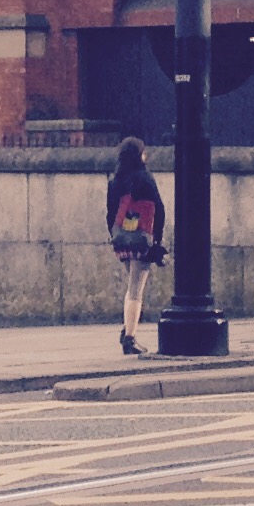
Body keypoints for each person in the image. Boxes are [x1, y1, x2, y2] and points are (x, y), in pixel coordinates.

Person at [106, 137, 165, 357]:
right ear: (140, 155)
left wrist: (114, 235)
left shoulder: (115, 180)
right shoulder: (145, 178)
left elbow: (110, 213)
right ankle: (129, 338)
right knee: (135, 289)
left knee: (132, 284)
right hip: (141, 240)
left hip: (121, 240)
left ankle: (127, 328)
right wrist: (156, 239)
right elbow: (159, 209)